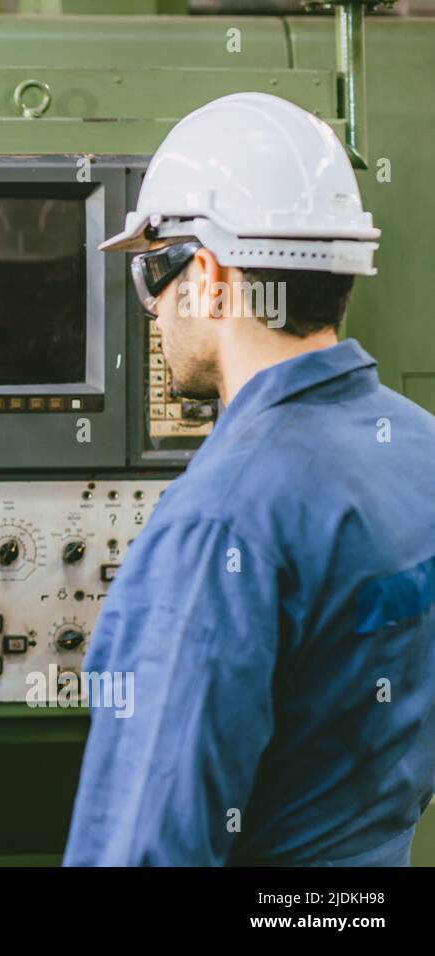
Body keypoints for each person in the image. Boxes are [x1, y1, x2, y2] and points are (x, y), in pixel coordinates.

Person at [64, 93, 435, 866]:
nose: (154, 313)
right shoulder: (418, 448)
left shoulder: (219, 524)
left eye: (151, 278)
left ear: (206, 274)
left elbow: (143, 847)